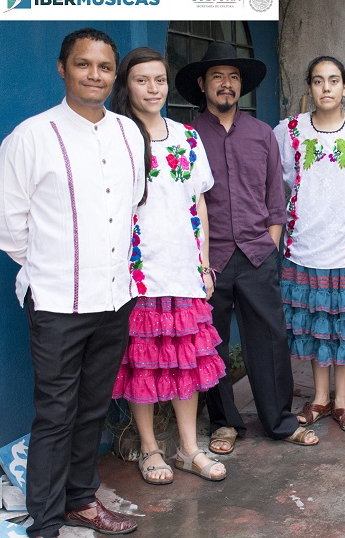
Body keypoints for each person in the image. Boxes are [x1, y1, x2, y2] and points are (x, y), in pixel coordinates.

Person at [0, 28, 143, 537]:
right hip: (56, 300)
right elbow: (3, 222)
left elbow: (132, 202)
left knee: (93, 408)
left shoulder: (126, 132)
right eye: (83, 65)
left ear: (112, 74)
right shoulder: (31, 136)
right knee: (56, 414)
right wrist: (52, 264)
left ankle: (80, 501)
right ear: (62, 68)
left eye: (103, 67)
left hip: (115, 297)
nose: (94, 75)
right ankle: (46, 523)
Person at [175, 42, 318, 451]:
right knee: (213, 343)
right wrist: (197, 260)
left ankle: (280, 420)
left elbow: (277, 200)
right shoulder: (187, 138)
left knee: (271, 340)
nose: (227, 84)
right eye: (218, 76)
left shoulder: (262, 135)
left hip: (257, 254)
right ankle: (224, 423)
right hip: (208, 261)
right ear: (202, 84)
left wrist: (269, 246)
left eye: (234, 77)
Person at [109, 47, 227, 483]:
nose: (152, 88)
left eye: (159, 79)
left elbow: (198, 203)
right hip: (135, 271)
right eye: (142, 80)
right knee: (142, 362)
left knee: (185, 363)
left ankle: (189, 449)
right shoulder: (115, 136)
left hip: (181, 267)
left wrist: (204, 265)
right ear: (127, 86)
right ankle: (150, 448)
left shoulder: (187, 137)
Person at [273, 56, 345, 433]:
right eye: (318, 80)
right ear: (309, 87)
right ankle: (319, 398)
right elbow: (274, 185)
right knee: (315, 326)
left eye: (333, 80)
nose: (326, 87)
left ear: (344, 88)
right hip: (305, 246)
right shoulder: (288, 131)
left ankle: (341, 401)